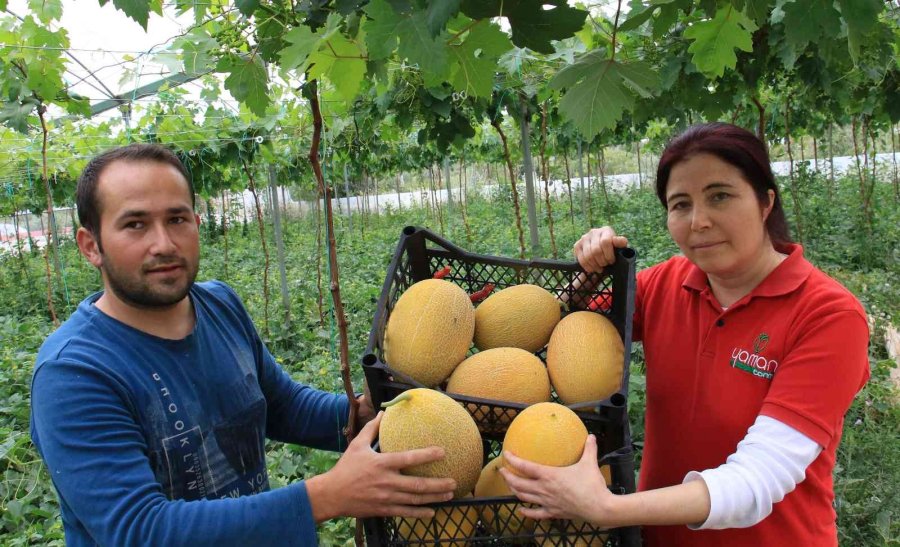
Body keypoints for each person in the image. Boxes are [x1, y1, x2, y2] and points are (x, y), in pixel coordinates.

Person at [29, 143, 456, 546]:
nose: (163, 244)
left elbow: (282, 406)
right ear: (91, 246)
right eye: (135, 224)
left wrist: (363, 412)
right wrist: (326, 495)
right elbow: (140, 530)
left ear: (197, 224)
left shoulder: (219, 304)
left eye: (177, 219)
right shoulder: (74, 373)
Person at [499, 123, 870, 546]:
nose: (699, 221)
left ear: (766, 202)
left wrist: (606, 509)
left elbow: (760, 477)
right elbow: (561, 329)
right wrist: (588, 276)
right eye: (680, 204)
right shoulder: (666, 283)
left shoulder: (828, 314)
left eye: (720, 196)